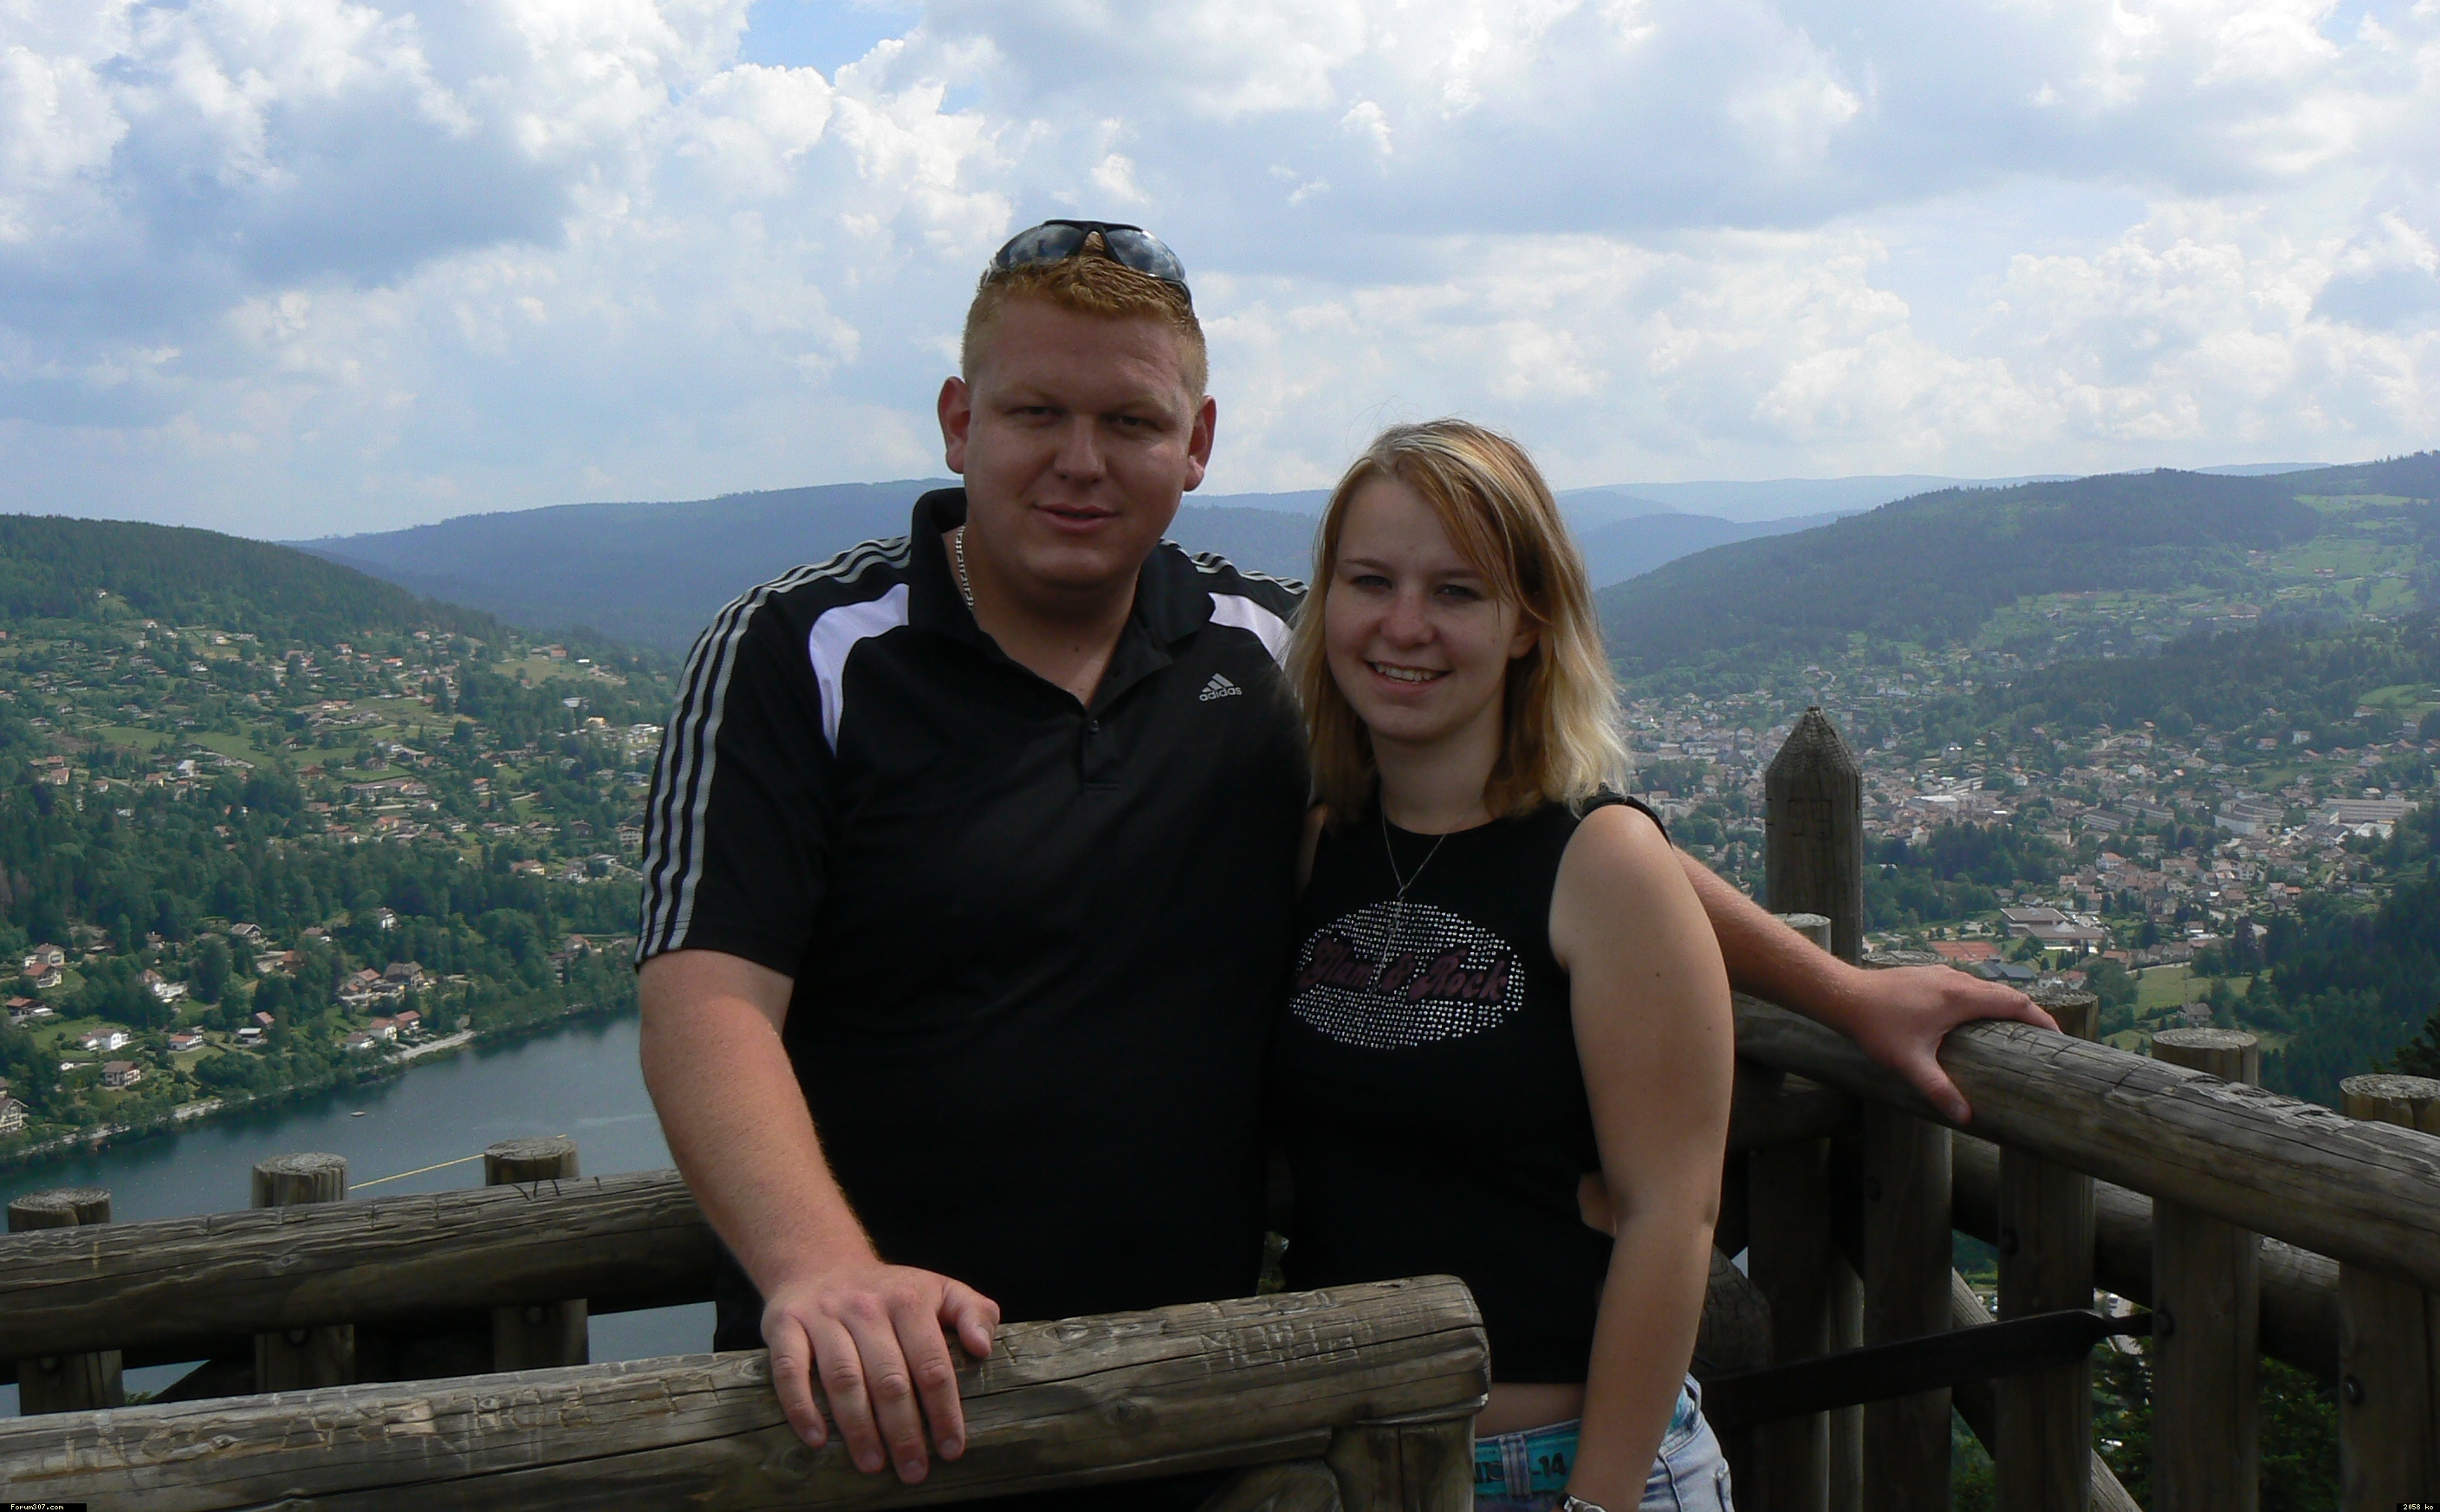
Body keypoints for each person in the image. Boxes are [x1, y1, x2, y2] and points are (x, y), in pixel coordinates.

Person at [633, 217, 2054, 1490]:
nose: (1080, 460)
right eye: (1034, 412)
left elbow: (1540, 831)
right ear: (959, 421)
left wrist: (1837, 992)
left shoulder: (1263, 648)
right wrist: (822, 1270)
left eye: (1130, 421)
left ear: (1195, 445)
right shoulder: (803, 651)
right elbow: (706, 1004)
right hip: (886, 1405)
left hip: (1197, 1414)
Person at [1270, 420, 1733, 1512]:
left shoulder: (1601, 861)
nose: (1403, 626)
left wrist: (1596, 1499)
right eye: (1369, 582)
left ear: (1527, 623)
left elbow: (1670, 1215)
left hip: (1563, 1469)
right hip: (1347, 1474)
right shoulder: (1315, 851)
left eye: (1456, 592)